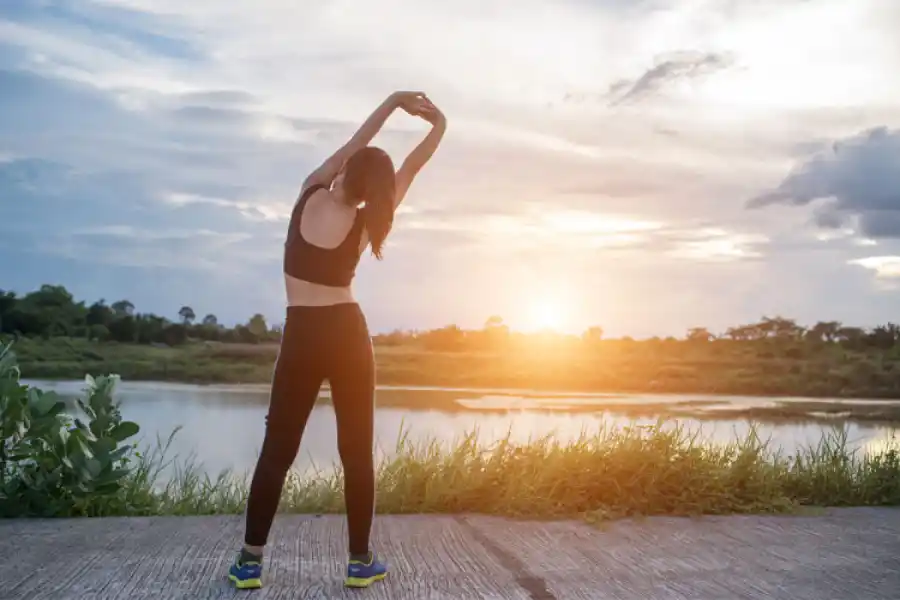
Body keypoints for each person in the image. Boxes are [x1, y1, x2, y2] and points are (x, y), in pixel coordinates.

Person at [226, 90, 447, 590]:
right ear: (377, 191)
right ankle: (359, 561)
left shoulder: (310, 191)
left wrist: (393, 103)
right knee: (356, 450)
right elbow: (411, 168)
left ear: (346, 170)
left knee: (276, 449)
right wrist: (439, 128)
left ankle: (249, 562)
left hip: (302, 333)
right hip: (348, 333)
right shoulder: (370, 219)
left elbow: (359, 141)